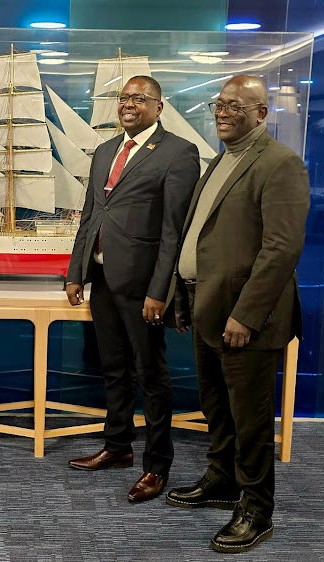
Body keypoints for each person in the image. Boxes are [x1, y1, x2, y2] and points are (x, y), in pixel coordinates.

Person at [165, 75, 310, 553]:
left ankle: (256, 508)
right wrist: (183, 299)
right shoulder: (221, 161)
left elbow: (281, 249)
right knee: (217, 408)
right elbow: (202, 239)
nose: (223, 112)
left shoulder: (280, 164)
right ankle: (223, 479)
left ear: (262, 113)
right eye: (219, 103)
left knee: (249, 419)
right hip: (208, 310)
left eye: (236, 106)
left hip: (245, 322)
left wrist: (246, 316)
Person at [65, 76, 200, 502]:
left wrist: (160, 290)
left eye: (139, 99)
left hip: (145, 288)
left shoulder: (179, 152)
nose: (129, 105)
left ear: (159, 106)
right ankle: (118, 448)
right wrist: (74, 273)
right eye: (124, 98)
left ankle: (156, 467)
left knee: (152, 377)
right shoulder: (106, 151)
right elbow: (89, 215)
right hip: (103, 281)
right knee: (113, 370)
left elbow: (173, 232)